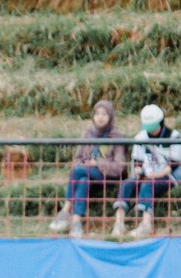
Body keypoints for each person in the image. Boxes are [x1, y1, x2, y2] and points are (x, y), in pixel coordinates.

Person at [49, 100, 125, 239]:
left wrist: (98, 164)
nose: (100, 117)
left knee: (77, 171)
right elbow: (77, 158)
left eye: (104, 114)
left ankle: (65, 210)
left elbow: (119, 167)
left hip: (107, 176)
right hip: (88, 174)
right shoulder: (88, 134)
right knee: (83, 179)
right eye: (97, 114)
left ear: (110, 116)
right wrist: (85, 163)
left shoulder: (116, 136)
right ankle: (76, 223)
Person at [112, 103, 181, 239]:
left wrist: (154, 175)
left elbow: (173, 164)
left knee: (148, 185)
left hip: (166, 174)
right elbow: (137, 162)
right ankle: (119, 222)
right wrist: (140, 173)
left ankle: (146, 224)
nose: (151, 131)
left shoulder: (173, 136)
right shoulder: (141, 137)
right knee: (127, 184)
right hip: (147, 173)